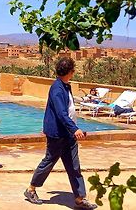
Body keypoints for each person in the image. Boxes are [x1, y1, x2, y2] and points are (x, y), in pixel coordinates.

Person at [24, 57, 97, 210]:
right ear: (70, 72)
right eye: (73, 70)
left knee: (74, 166)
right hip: (57, 134)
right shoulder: (57, 89)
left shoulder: (65, 86)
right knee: (49, 161)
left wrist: (73, 129)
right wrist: (75, 129)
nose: (74, 72)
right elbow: (61, 114)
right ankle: (31, 189)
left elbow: (67, 112)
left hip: (68, 134)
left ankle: (79, 198)